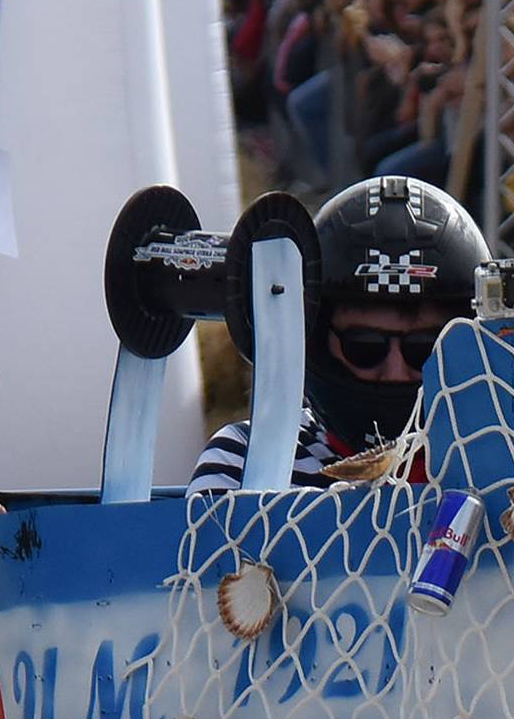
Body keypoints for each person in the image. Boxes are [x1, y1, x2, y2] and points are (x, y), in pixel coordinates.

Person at [190, 177, 488, 487]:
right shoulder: (242, 461)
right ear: (317, 342)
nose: (396, 372)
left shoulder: (507, 461)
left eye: (426, 350)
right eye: (365, 347)